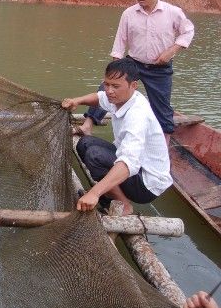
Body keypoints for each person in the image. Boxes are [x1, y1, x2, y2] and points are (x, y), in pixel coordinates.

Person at [74, 0, 195, 145]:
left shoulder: (173, 12)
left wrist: (172, 50)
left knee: (162, 109)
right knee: (107, 88)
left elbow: (188, 31)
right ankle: (88, 124)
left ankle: (163, 147)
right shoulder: (129, 14)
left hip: (160, 68)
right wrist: (114, 67)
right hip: (134, 63)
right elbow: (120, 40)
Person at [62, 58, 172, 215]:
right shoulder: (121, 97)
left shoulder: (137, 115)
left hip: (147, 184)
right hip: (136, 168)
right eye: (106, 84)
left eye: (115, 86)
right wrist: (76, 101)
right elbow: (99, 98)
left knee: (95, 156)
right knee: (84, 143)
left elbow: (129, 163)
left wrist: (94, 193)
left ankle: (124, 205)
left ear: (133, 85)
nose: (109, 91)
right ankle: (109, 196)